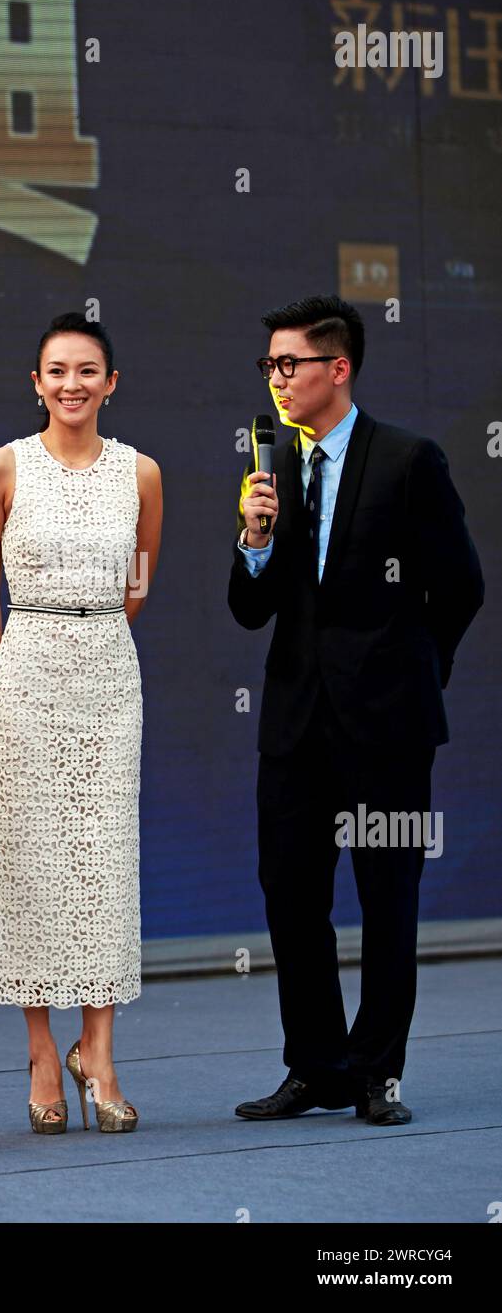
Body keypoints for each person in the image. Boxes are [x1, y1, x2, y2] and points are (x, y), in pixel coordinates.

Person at [228, 295, 483, 1125]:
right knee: (290, 896)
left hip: (387, 732)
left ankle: (377, 1073)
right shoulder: (275, 472)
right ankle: (316, 1067)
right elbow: (247, 608)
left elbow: (461, 586)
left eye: (288, 364)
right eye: (268, 365)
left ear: (337, 368)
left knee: (387, 898)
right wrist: (256, 537)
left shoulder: (410, 459)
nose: (275, 379)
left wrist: (410, 677)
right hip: (295, 728)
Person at [0, 312, 163, 1133]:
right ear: (36, 382)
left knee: (105, 861)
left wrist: (94, 631)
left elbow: (140, 578)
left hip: (108, 679)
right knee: (30, 865)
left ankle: (102, 1051)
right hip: (24, 676)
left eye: (88, 370)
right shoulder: (0, 467)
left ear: (110, 383)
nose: (72, 384)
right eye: (57, 371)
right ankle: (44, 1052)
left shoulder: (142, 473)